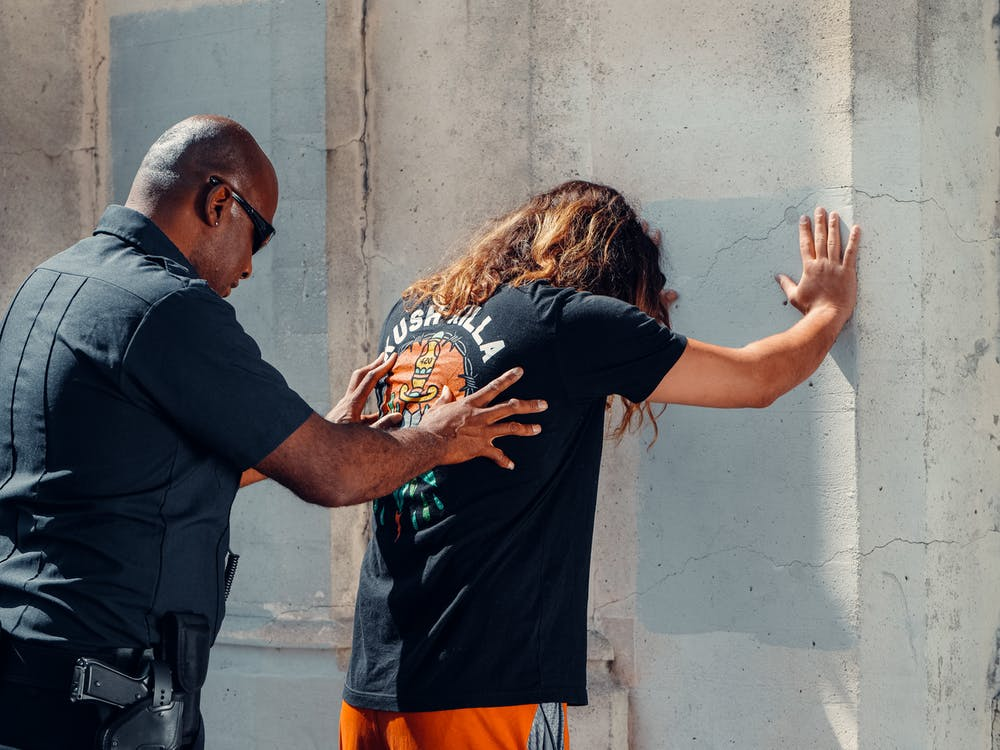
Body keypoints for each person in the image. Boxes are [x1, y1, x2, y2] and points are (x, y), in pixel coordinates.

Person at [0, 115, 545, 750]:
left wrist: (319, 432)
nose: (251, 268)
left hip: (29, 677)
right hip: (104, 706)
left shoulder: (46, 285)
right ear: (218, 201)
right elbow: (334, 475)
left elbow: (137, 471)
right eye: (258, 237)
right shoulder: (168, 307)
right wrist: (438, 436)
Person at [339, 180, 860, 749]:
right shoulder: (570, 324)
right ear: (615, 272)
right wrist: (828, 310)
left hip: (373, 687)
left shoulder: (412, 312)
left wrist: (639, 332)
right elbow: (760, 378)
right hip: (487, 691)